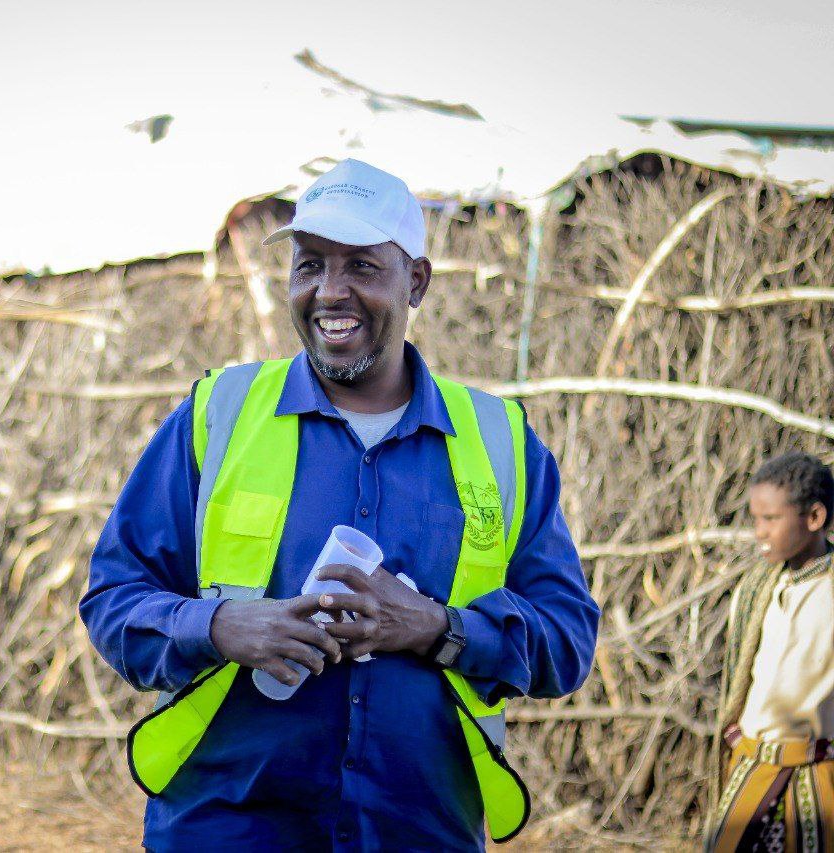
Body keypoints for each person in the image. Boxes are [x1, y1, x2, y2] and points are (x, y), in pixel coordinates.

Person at [79, 158, 600, 851]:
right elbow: (114, 598)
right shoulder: (218, 416)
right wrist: (220, 625)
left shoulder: (500, 444)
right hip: (226, 829)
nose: (329, 291)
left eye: (361, 266)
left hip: (418, 834)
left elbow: (567, 638)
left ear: (417, 281)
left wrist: (436, 627)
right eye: (310, 265)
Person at [705, 452, 834, 852]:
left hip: (818, 775)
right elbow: (742, 678)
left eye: (772, 519)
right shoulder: (756, 587)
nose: (759, 531)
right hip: (751, 768)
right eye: (756, 519)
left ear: (814, 517)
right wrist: (734, 733)